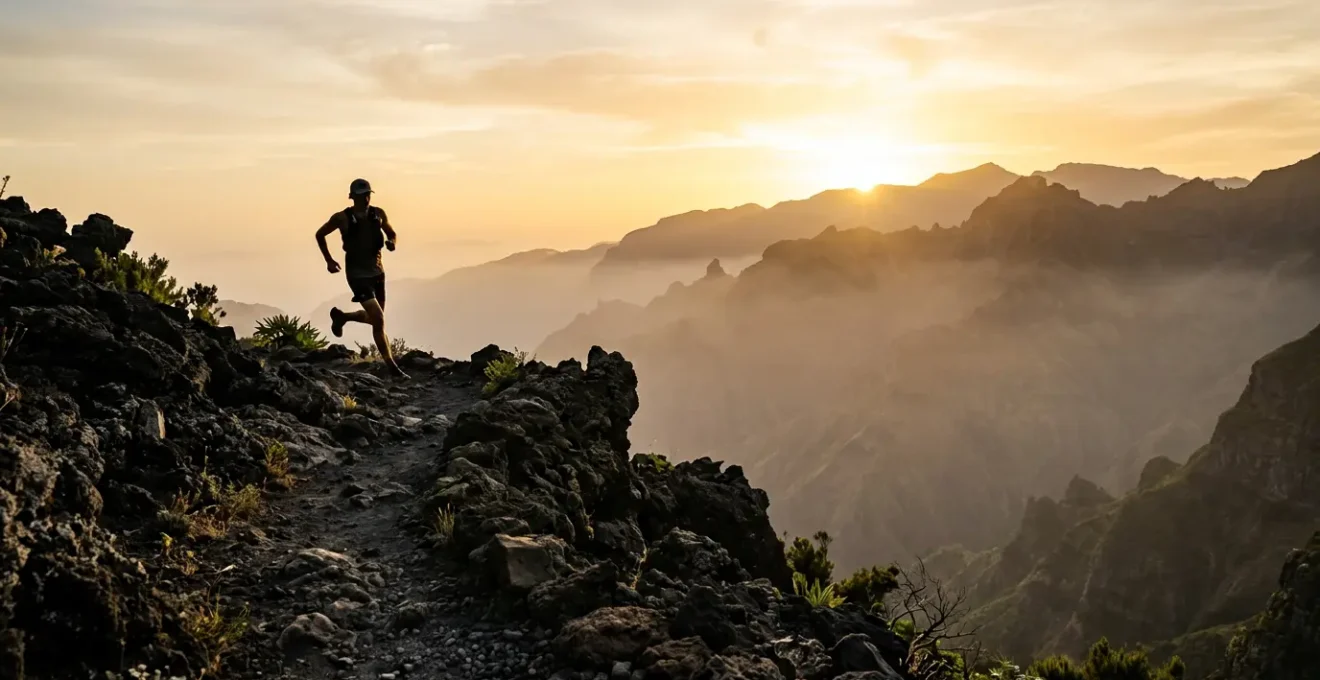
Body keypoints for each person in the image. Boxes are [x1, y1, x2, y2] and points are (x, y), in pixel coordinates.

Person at [315, 178, 409, 379]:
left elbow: (391, 232)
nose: (365, 199)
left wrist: (392, 242)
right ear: (352, 197)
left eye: (367, 195)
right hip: (357, 276)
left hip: (378, 273)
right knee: (379, 320)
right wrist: (329, 260)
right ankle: (392, 368)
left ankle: (343, 317)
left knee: (375, 319)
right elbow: (320, 234)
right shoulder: (342, 218)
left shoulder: (378, 214)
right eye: (361, 196)